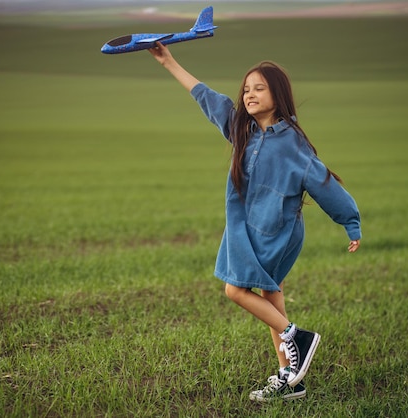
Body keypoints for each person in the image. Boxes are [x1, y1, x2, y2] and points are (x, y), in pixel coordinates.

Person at [148, 42, 362, 402]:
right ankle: (291, 378)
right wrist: (168, 61)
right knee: (270, 296)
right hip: (244, 231)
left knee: (235, 290)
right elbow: (204, 96)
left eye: (258, 88)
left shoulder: (293, 144)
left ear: (277, 95)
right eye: (246, 89)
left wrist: (350, 221)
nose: (249, 94)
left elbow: (323, 183)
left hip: (277, 230)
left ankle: (299, 337)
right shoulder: (240, 129)